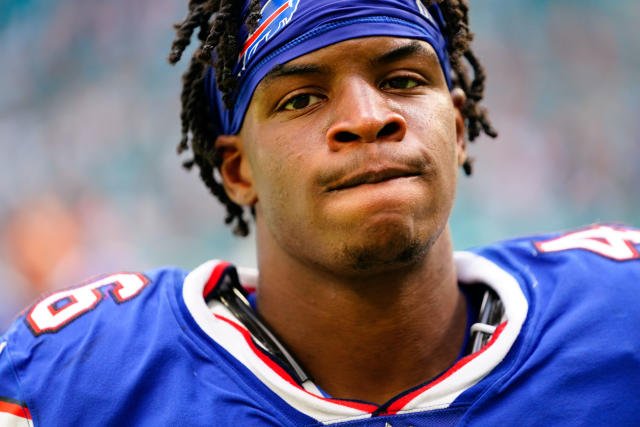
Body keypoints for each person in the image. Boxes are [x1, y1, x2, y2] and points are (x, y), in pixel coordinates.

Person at [1, 0, 639, 425]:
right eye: (302, 98)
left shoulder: (620, 315)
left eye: (404, 81)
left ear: (460, 125)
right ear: (237, 169)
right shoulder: (81, 382)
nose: (367, 118)